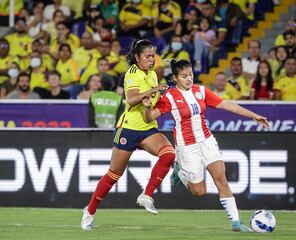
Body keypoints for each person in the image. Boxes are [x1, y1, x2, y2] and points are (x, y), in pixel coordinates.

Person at [141, 59, 269, 232]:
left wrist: (254, 115)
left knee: (221, 178)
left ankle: (236, 223)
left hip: (207, 141)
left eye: (191, 74)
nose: (189, 79)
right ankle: (180, 171)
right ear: (175, 78)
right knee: (199, 192)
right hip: (187, 148)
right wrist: (147, 108)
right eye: (184, 76)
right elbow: (149, 119)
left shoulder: (201, 91)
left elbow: (227, 105)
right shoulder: (169, 97)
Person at [81, 39, 175, 231]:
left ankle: (146, 195)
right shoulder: (133, 73)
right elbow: (131, 100)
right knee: (114, 174)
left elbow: (151, 102)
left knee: (169, 154)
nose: (151, 59)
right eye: (147, 56)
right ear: (138, 57)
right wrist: (153, 90)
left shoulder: (153, 75)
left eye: (153, 56)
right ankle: (89, 211)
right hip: (129, 128)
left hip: (148, 127)